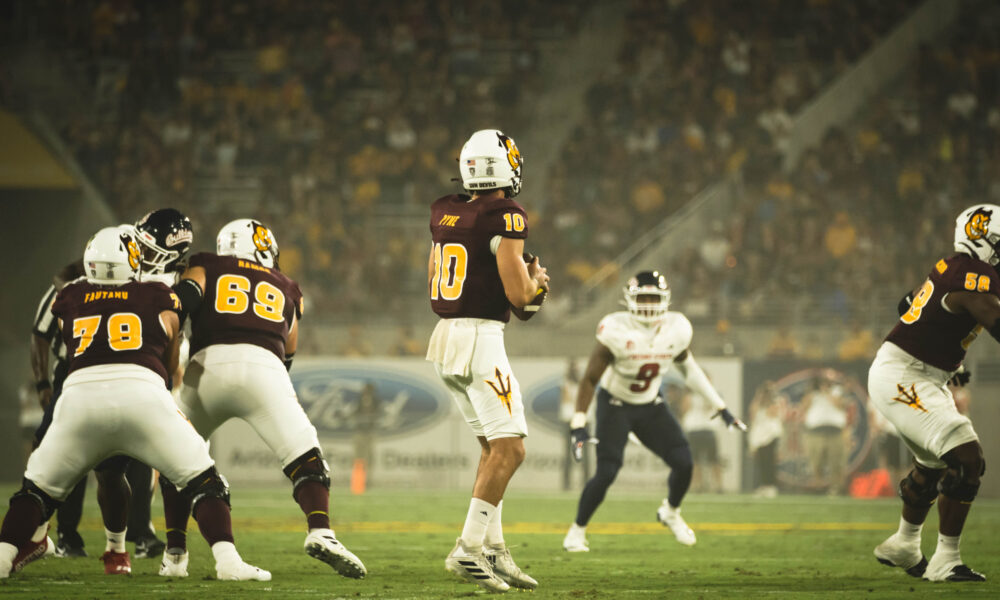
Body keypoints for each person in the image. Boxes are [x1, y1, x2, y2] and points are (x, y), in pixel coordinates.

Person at [0, 227, 268, 581]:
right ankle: (227, 560)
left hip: (79, 397)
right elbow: (171, 344)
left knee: (35, 492)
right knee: (205, 481)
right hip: (142, 392)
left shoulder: (71, 296)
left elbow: (63, 331)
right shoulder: (155, 293)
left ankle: (3, 556)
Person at [169, 218, 366, 579]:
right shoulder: (287, 286)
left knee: (176, 457)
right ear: (264, 249)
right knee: (305, 455)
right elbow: (289, 351)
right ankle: (320, 530)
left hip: (205, 367)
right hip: (264, 365)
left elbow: (186, 299)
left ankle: (175, 553)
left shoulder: (206, 264)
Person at [427, 128, 546, 593]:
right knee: (511, 448)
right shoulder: (507, 214)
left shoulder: (445, 209)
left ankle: (493, 549)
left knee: (490, 449)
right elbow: (523, 301)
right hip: (479, 339)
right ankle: (469, 547)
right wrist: (540, 283)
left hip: (445, 337)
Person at [562, 271, 746, 552]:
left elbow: (689, 369)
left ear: (665, 299)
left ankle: (670, 511)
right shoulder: (616, 329)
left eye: (653, 297)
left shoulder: (676, 328)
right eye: (643, 297)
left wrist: (721, 407)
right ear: (630, 300)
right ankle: (576, 531)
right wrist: (579, 422)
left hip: (649, 404)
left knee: (684, 462)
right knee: (608, 471)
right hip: (615, 405)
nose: (648, 304)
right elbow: (589, 379)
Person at [869, 204, 1000, 583]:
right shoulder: (971, 272)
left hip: (923, 374)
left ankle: (905, 543)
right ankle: (946, 559)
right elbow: (994, 319)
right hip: (903, 374)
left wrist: (949, 363)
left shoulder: (954, 267)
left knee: (933, 464)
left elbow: (909, 304)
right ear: (983, 241)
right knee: (966, 457)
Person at [799, 375, 848, 494]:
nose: (823, 385)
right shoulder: (812, 395)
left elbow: (840, 405)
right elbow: (803, 407)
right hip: (816, 432)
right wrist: (811, 392)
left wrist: (827, 393)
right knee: (816, 461)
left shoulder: (837, 392)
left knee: (836, 461)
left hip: (834, 431)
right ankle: (818, 486)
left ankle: (836, 488)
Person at [748, 381, 786, 498]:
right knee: (762, 463)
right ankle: (764, 485)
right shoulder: (758, 403)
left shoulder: (776, 401)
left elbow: (772, 413)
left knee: (770, 462)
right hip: (759, 437)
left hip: (770, 436)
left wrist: (770, 398)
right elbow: (752, 414)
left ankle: (771, 486)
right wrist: (758, 397)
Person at [559, 359, 590, 490]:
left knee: (585, 453)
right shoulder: (565, 383)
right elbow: (566, 398)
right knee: (568, 453)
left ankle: (587, 483)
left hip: (582, 420)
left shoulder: (584, 384)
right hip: (569, 419)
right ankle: (566, 484)